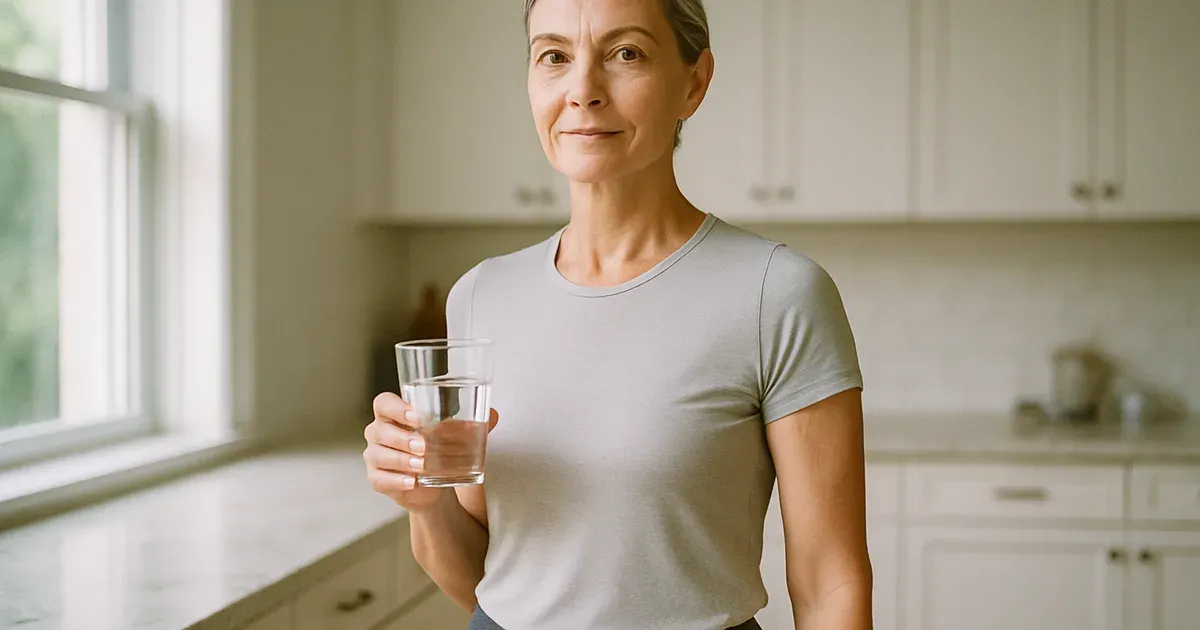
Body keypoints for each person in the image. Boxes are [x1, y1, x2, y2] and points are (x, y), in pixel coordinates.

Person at [362, 0, 873, 628]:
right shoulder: (480, 294)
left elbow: (831, 583)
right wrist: (423, 501)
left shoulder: (777, 292)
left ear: (694, 81)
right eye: (554, 56)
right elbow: (484, 582)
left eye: (625, 54)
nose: (583, 91)